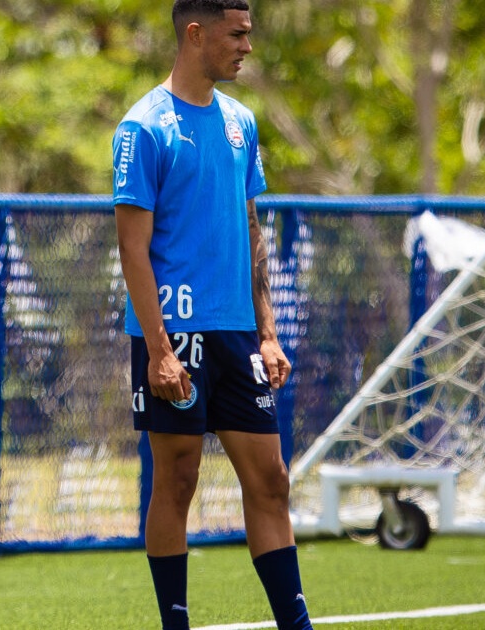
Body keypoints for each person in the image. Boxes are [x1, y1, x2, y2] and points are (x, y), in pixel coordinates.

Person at [111, 1, 312, 629]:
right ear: (195, 34)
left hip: (238, 335)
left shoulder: (241, 123)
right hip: (176, 335)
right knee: (177, 480)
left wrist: (269, 331)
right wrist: (160, 349)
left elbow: (251, 228)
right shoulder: (142, 128)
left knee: (271, 479)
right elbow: (132, 249)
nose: (247, 46)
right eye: (238, 33)